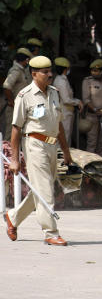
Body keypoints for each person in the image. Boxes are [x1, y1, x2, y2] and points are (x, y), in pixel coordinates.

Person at [4, 56, 75, 246]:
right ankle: (50, 232)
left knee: (39, 190)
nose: (50, 74)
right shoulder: (24, 95)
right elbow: (16, 128)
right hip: (34, 145)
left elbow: (58, 124)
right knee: (45, 190)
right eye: (45, 72)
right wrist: (14, 159)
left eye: (50, 70)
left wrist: (66, 152)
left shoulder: (54, 93)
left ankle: (13, 217)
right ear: (34, 74)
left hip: (52, 146)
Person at [3, 47, 33, 140]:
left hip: (20, 107)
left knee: (18, 135)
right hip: (13, 108)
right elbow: (7, 87)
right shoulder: (16, 70)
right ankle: (6, 154)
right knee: (10, 134)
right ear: (26, 60)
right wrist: (12, 103)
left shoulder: (22, 70)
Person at [52, 57, 83, 147]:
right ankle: (62, 159)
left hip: (65, 112)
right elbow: (66, 100)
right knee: (64, 138)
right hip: (65, 113)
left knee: (64, 137)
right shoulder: (61, 81)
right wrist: (78, 102)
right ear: (66, 69)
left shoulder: (61, 79)